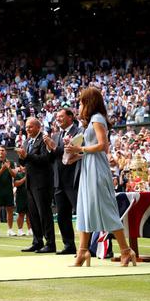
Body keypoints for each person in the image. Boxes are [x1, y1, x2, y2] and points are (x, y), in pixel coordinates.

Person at [65, 87, 137, 267]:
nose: (80, 105)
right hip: (89, 168)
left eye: (82, 101)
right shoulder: (90, 122)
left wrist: (79, 149)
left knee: (105, 208)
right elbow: (93, 149)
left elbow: (103, 146)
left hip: (97, 170)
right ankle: (82, 252)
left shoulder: (97, 119)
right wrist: (78, 156)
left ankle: (126, 251)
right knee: (85, 208)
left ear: (88, 102)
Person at [43, 108, 83, 255]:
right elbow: (53, 158)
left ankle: (90, 245)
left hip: (74, 180)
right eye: (57, 116)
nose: (58, 118)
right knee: (62, 216)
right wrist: (49, 148)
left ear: (71, 117)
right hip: (59, 181)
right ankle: (69, 245)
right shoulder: (56, 135)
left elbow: (71, 152)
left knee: (82, 213)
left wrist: (54, 146)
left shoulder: (79, 132)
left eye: (61, 116)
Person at [16, 117, 56, 253]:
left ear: (38, 127)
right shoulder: (27, 141)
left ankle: (50, 243)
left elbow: (46, 159)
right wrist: (22, 157)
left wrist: (26, 156)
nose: (27, 129)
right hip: (30, 182)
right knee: (33, 214)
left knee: (44, 213)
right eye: (26, 127)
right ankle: (37, 241)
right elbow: (23, 162)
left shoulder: (44, 140)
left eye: (30, 127)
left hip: (42, 182)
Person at [14, 166, 31, 236]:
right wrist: (25, 178)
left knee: (30, 214)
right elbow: (16, 184)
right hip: (20, 197)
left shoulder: (31, 174)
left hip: (30, 197)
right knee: (21, 213)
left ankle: (30, 229)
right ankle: (20, 230)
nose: (25, 167)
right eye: (23, 166)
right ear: (20, 167)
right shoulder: (18, 175)